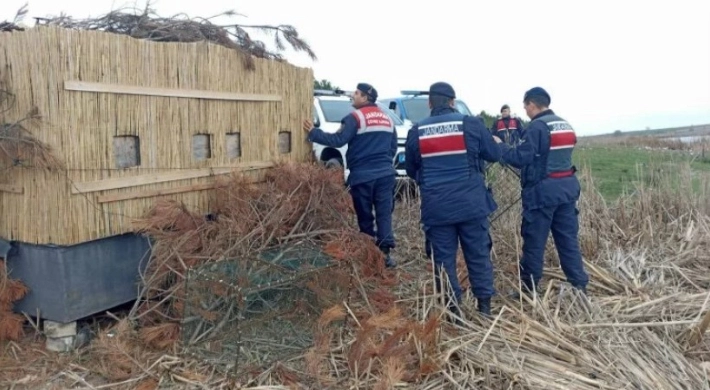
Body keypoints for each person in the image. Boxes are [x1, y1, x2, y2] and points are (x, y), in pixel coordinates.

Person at [405, 82, 501, 316]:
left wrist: (428, 179)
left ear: (429, 103)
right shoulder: (471, 124)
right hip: (471, 204)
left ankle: (454, 311)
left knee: (443, 260)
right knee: (478, 254)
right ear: (452, 101)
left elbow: (410, 169)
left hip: (437, 208)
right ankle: (484, 308)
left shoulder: (417, 131)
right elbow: (494, 154)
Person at [493, 87, 589, 297]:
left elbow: (521, 157)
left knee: (534, 243)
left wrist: (500, 147)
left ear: (531, 104)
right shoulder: (564, 124)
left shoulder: (537, 127)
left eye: (525, 106)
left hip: (542, 194)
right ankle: (579, 285)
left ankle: (528, 290)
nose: (525, 111)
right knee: (568, 240)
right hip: (567, 190)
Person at [303, 83, 398, 268]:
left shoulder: (355, 118)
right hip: (386, 175)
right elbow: (393, 146)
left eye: (356, 93)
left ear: (365, 98)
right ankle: (385, 255)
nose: (353, 96)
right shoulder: (388, 119)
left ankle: (369, 253)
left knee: (365, 216)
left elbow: (338, 140)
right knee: (384, 214)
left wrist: (314, 133)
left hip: (363, 176)